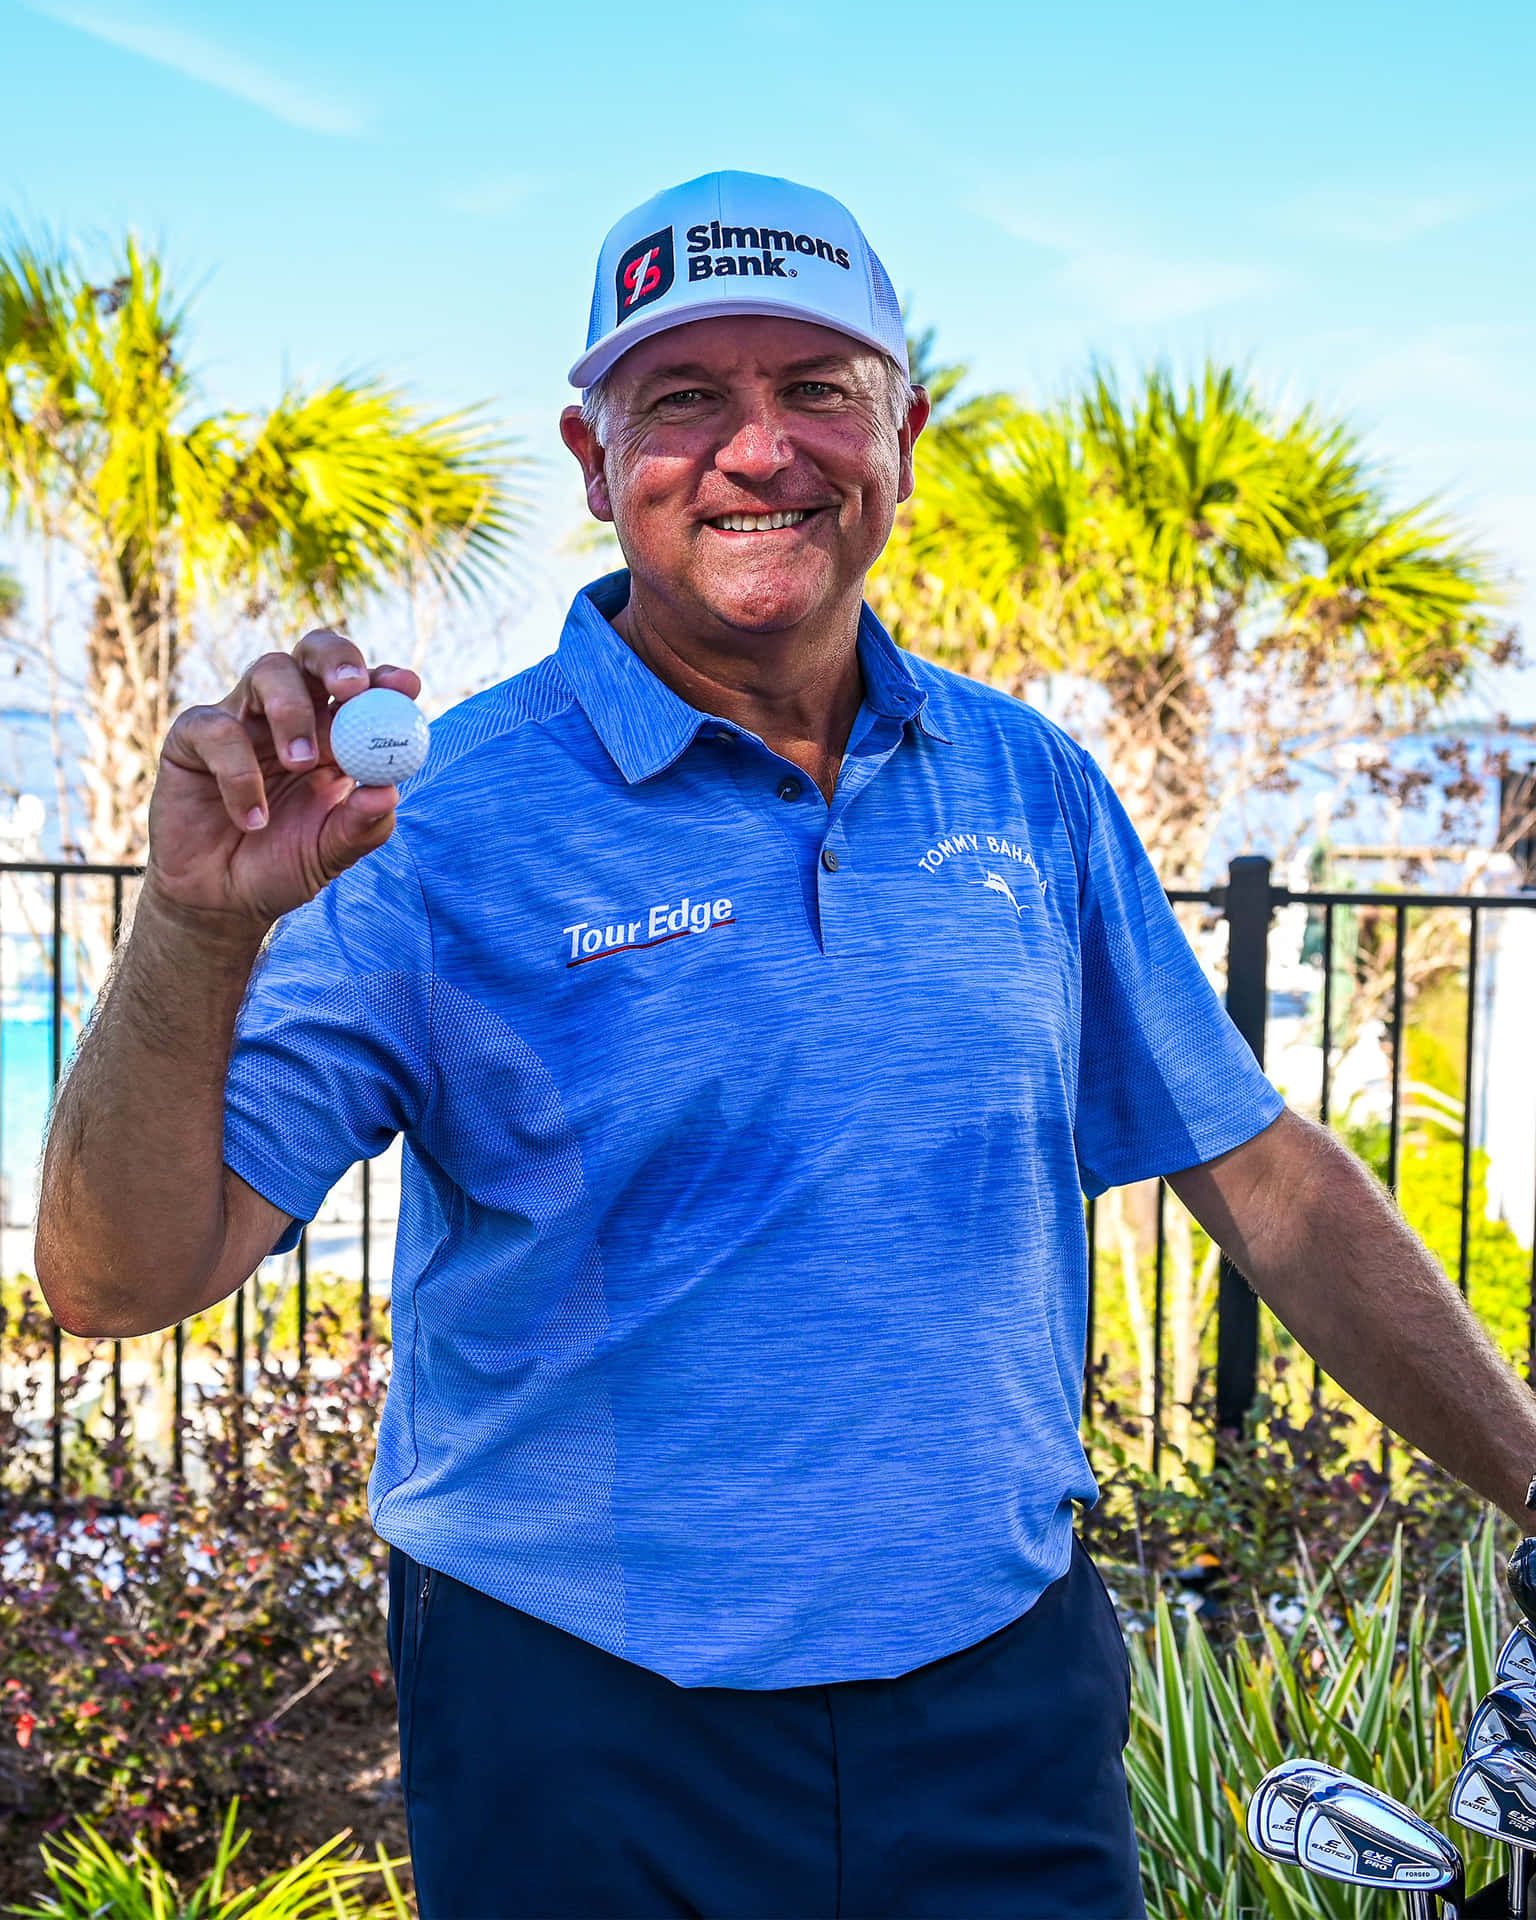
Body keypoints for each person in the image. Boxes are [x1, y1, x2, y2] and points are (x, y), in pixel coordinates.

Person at [34, 169, 1536, 1920]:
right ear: (594, 461)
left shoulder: (1029, 784)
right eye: (685, 397)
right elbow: (114, 1279)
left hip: (1002, 1695)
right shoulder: (434, 825)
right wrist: (197, 926)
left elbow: (1261, 1173)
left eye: (817, 387)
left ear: (904, 433)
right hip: (581, 1715)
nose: (759, 450)